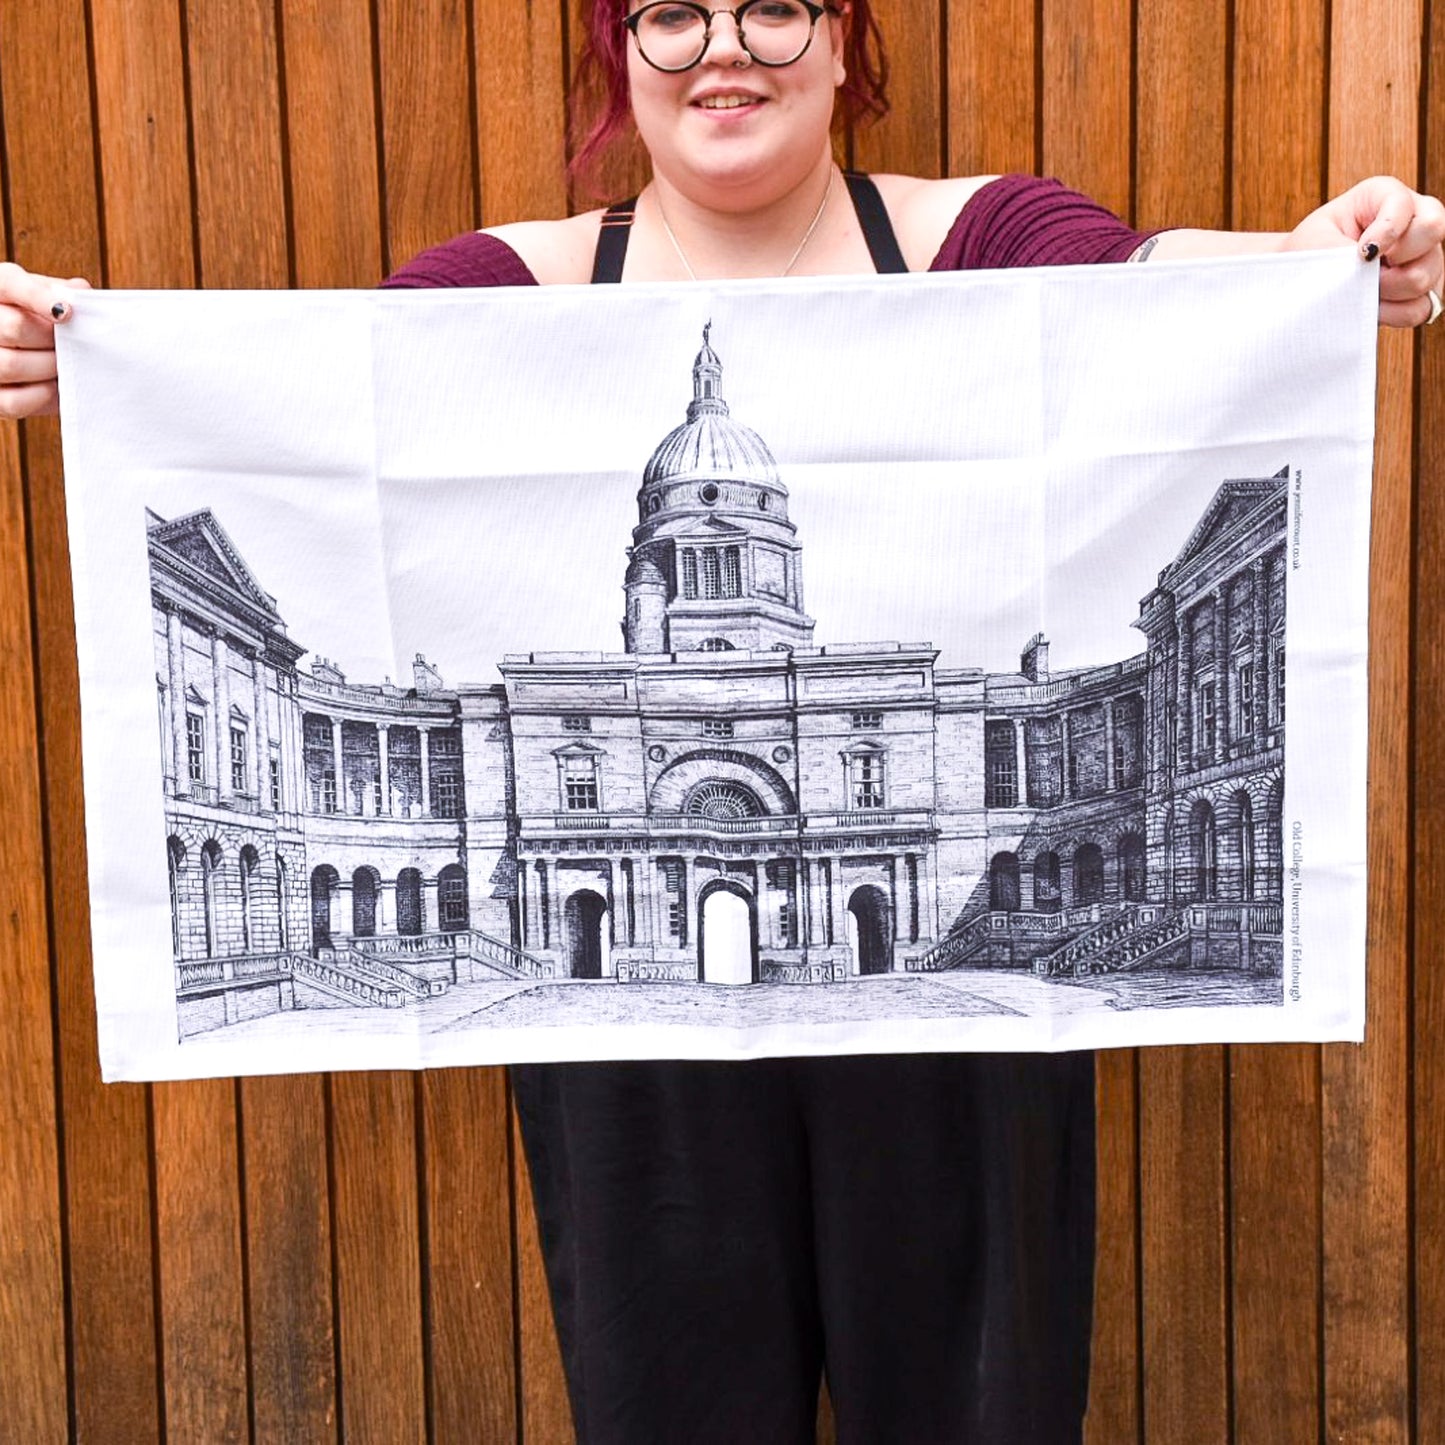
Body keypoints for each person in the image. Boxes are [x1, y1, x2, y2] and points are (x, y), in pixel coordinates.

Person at [2, 3, 1442, 1441]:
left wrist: (1314, 262)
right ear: (619, 54)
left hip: (958, 1072)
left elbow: (1157, 282)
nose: (723, 49)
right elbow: (303, 404)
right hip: (637, 1063)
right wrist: (97, 357)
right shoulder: (501, 288)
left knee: (975, 1410)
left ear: (841, 44)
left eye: (773, 6)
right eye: (673, 15)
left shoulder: (986, 245)